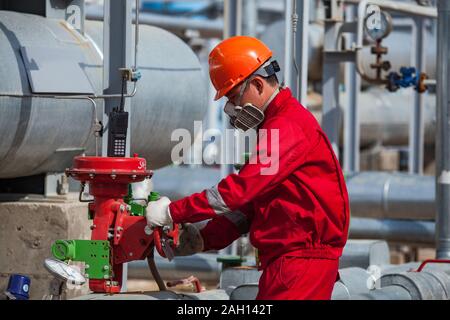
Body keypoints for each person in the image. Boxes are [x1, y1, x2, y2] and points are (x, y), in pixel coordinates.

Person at [146, 36, 350, 300]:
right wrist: (203, 238)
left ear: (257, 84)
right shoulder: (278, 125)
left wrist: (172, 212)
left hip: (300, 263)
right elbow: (251, 208)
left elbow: (237, 192)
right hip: (292, 263)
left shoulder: (286, 127)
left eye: (233, 96)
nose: (232, 109)